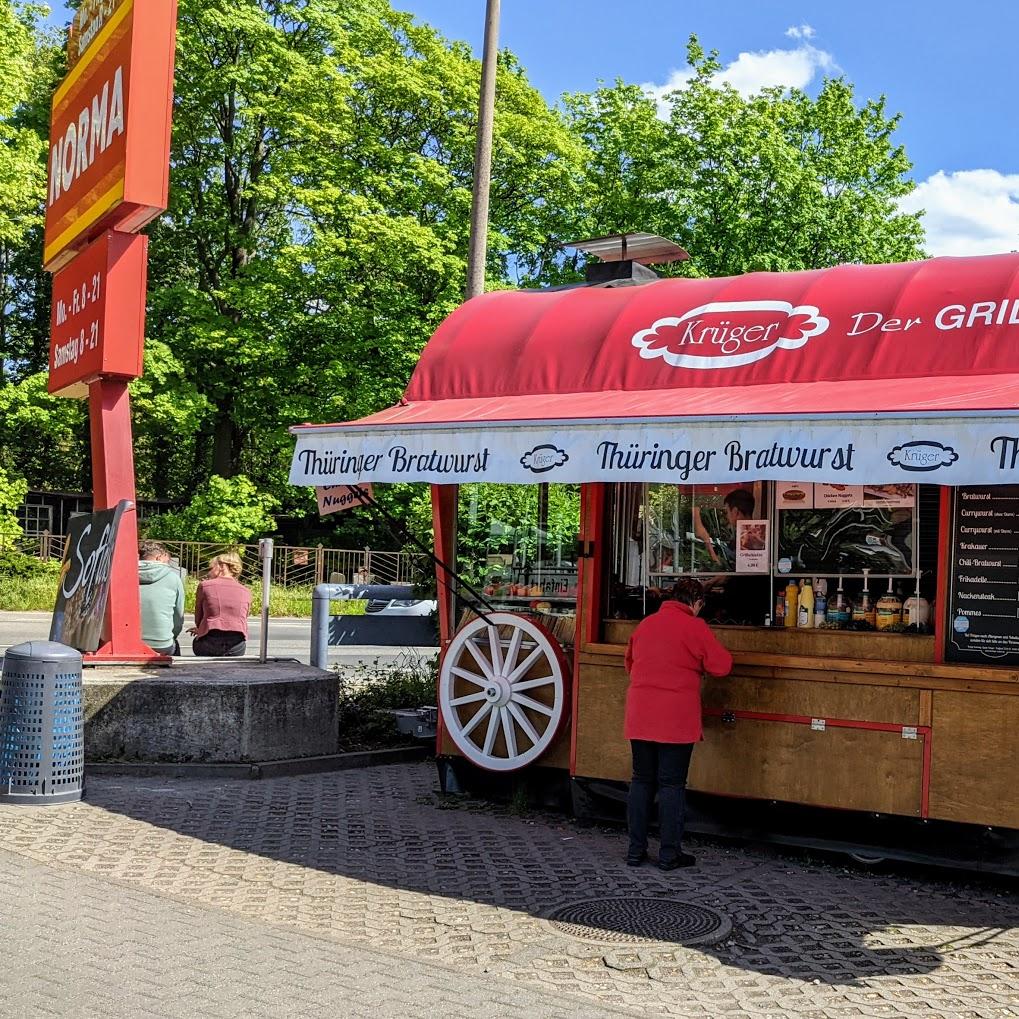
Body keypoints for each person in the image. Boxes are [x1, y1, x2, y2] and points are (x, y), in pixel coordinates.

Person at [623, 578, 733, 870]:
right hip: (674, 717)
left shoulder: (645, 624)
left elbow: (630, 663)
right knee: (671, 784)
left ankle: (635, 851)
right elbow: (721, 666)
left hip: (641, 713)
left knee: (641, 780)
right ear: (697, 603)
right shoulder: (695, 627)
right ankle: (669, 854)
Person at [188, 552, 252, 657]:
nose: (209, 572)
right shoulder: (246, 591)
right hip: (237, 646)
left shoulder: (205, 586)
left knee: (198, 643)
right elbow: (243, 617)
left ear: (222, 567)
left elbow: (198, 619)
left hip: (208, 644)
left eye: (211, 568)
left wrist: (202, 629)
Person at [138, 540, 185, 656]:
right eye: (167, 560)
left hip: (129, 644)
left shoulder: (125, 574)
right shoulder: (173, 578)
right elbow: (178, 617)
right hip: (161, 645)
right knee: (174, 646)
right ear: (159, 557)